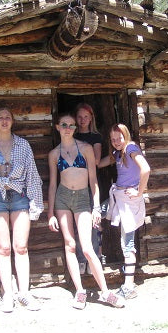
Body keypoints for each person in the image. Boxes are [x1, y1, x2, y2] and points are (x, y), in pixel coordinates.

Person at [47, 113, 125, 309]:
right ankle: (80, 291)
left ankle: (106, 292)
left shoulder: (86, 148)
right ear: (57, 127)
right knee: (70, 244)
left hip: (83, 198)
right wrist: (50, 213)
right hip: (62, 199)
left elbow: (93, 181)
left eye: (72, 125)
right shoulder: (54, 154)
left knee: (88, 247)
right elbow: (52, 184)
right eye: (64, 124)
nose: (68, 128)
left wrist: (96, 206)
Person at [0, 106, 44, 313]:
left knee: (21, 247)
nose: (4, 121)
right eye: (0, 118)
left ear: (12, 121)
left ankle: (24, 293)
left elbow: (32, 174)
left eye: (7, 117)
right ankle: (8, 294)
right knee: (3, 249)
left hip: (19, 196)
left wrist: (35, 204)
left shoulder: (23, 145)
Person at [98, 123, 150, 300]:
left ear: (125, 136)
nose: (116, 142)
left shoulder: (130, 148)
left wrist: (139, 192)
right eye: (113, 140)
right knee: (97, 214)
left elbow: (146, 169)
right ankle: (99, 254)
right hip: (118, 197)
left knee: (127, 243)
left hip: (129, 200)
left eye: (119, 138)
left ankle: (129, 286)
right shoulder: (118, 153)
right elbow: (99, 163)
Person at [73, 102, 103, 275]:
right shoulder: (72, 135)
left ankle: (93, 260)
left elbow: (97, 161)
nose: (83, 120)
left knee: (92, 223)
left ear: (91, 118)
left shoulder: (95, 137)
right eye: (79, 117)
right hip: (74, 183)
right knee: (77, 224)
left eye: (86, 116)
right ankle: (80, 259)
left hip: (90, 182)